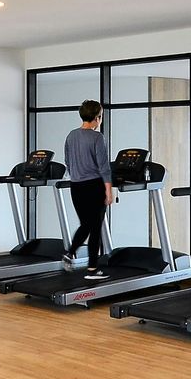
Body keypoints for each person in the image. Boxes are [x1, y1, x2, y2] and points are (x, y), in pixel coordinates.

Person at [62, 100, 114, 280]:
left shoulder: (71, 135)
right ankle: (92, 269)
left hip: (76, 187)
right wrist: (109, 190)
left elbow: (67, 162)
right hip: (94, 187)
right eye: (100, 117)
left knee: (86, 224)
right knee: (95, 228)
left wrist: (77, 174)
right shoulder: (97, 137)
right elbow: (104, 167)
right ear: (96, 118)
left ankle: (70, 252)